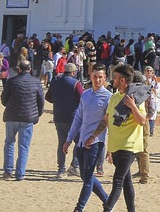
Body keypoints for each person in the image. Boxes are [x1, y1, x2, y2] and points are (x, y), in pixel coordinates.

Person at [94, 63, 147, 212]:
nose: (113, 80)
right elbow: (107, 120)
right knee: (126, 181)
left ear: (123, 80)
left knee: (117, 180)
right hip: (116, 145)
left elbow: (142, 121)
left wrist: (133, 106)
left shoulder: (136, 98)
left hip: (129, 146)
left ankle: (107, 209)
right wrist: (96, 139)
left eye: (116, 77)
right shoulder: (114, 97)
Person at [63, 66, 112, 212]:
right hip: (81, 141)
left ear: (104, 78)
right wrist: (69, 139)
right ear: (90, 77)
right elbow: (78, 118)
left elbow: (108, 122)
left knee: (88, 176)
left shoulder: (108, 97)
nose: (97, 80)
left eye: (100, 77)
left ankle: (79, 208)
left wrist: (108, 147)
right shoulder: (85, 95)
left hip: (96, 142)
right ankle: (107, 200)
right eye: (95, 76)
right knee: (86, 177)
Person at [0, 56, 44, 181]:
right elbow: (40, 101)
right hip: (28, 117)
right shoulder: (35, 82)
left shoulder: (11, 81)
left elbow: (4, 99)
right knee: (24, 146)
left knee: (9, 143)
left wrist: (9, 106)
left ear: (19, 69)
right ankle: (20, 173)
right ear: (29, 69)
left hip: (11, 115)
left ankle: (8, 171)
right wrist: (37, 114)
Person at [48, 61, 85, 177]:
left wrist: (58, 101)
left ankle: (61, 169)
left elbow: (48, 97)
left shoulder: (55, 82)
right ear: (73, 72)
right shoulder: (76, 84)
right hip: (73, 117)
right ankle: (74, 165)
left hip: (59, 116)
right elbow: (82, 98)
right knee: (78, 142)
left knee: (62, 143)